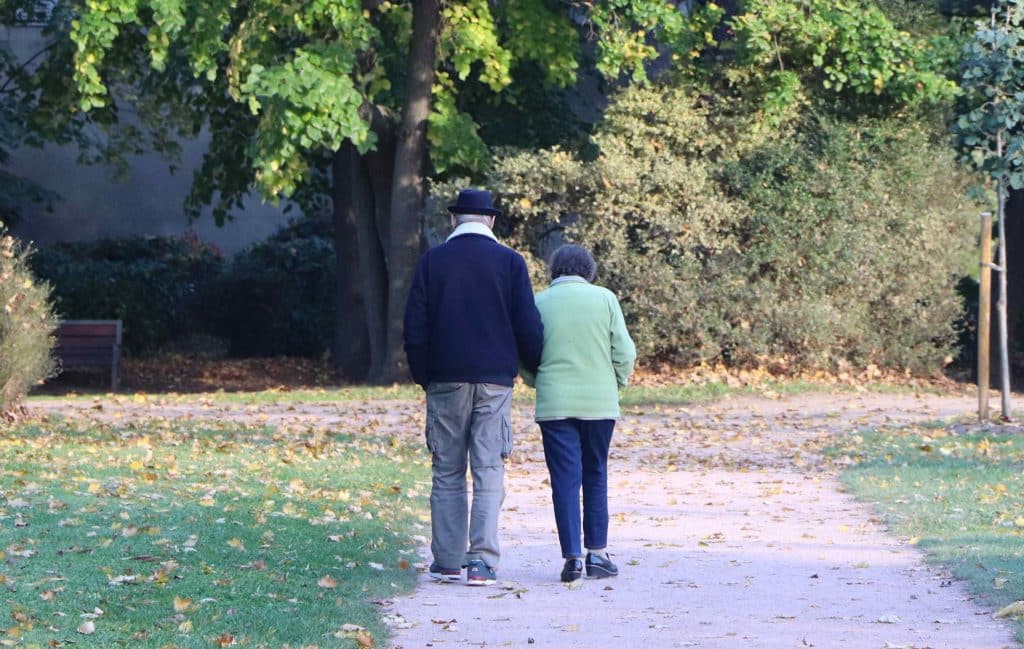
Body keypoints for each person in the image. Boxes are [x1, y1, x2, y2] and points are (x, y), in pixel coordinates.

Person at [403, 188, 544, 587]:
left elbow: (415, 326)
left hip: (445, 377)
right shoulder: (510, 262)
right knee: (488, 467)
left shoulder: (433, 261)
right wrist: (529, 364)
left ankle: (447, 560)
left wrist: (424, 375)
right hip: (495, 380)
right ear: (492, 221)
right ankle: (481, 560)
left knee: (447, 469)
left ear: (453, 219)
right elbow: (528, 324)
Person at [521, 244, 636, 583]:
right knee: (595, 472)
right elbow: (624, 351)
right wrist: (618, 382)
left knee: (564, 479)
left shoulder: (539, 302)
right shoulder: (605, 299)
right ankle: (597, 554)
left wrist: (535, 380)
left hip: (555, 404)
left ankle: (571, 558)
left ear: (554, 271)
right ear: (589, 270)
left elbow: (526, 352)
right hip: (599, 402)